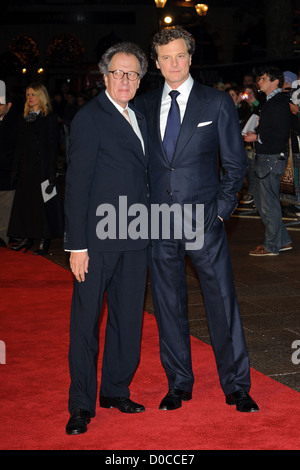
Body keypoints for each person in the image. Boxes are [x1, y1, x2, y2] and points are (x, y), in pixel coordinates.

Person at [135, 26, 259, 413]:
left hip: (203, 219)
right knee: (168, 304)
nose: (173, 63)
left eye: (180, 56)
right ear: (156, 63)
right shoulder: (141, 105)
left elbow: (236, 165)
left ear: (191, 57)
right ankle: (178, 384)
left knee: (222, 301)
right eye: (165, 57)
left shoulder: (216, 103)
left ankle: (237, 385)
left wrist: (220, 213)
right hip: (158, 221)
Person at [64, 42, 149, 435]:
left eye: (132, 73)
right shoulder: (89, 118)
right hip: (96, 241)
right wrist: (76, 245)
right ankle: (81, 404)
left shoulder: (142, 118)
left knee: (128, 319)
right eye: (118, 72)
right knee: (86, 322)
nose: (125, 79)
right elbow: (77, 185)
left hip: (136, 235)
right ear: (104, 77)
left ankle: (115, 389)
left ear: (140, 78)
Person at [7, 82, 63, 254]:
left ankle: (45, 240)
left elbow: (53, 146)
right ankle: (27, 238)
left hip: (42, 169)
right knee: (26, 205)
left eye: (33, 94)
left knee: (44, 207)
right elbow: (19, 146)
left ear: (41, 96)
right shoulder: (24, 118)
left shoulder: (49, 118)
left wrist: (51, 172)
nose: (29, 98)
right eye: (28, 94)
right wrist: (15, 170)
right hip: (26, 169)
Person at [244, 67, 292, 256]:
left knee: (268, 203)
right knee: (263, 200)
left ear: (275, 82)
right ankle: (282, 240)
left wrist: (256, 137)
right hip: (268, 157)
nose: (259, 82)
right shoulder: (274, 102)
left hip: (271, 158)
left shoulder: (278, 103)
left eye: (263, 79)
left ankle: (272, 245)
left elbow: (279, 133)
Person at [0, 88, 21, 247]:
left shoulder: (14, 122)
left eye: (1, 105)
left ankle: (4, 236)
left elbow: (15, 149)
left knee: (7, 205)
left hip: (8, 171)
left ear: (9, 105)